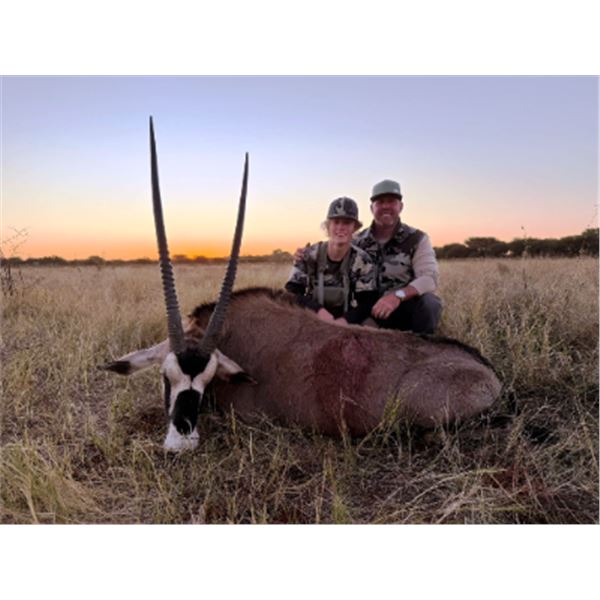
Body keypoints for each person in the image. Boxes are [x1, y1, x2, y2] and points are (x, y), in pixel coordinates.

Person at [354, 179, 442, 334]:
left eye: (391, 201)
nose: (386, 206)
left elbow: (429, 279)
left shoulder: (417, 239)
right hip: (367, 311)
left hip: (402, 307)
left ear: (401, 206)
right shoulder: (357, 241)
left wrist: (397, 296)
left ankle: (422, 343)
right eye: (380, 202)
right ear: (371, 208)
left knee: (430, 303)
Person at [285, 197, 378, 325]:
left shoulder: (362, 260)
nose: (341, 227)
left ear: (355, 228)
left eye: (347, 223)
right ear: (328, 226)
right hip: (312, 316)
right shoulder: (308, 255)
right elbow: (292, 293)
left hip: (347, 320)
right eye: (336, 222)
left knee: (370, 325)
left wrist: (345, 320)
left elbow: (367, 302)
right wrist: (318, 310)